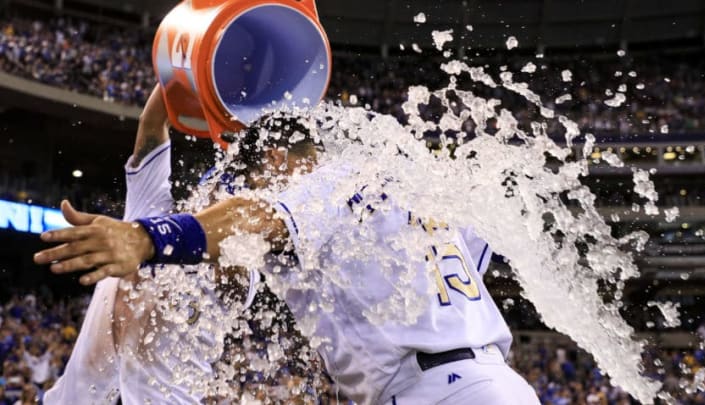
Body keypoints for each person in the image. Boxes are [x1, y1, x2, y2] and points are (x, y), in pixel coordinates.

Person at [34, 114, 541, 405]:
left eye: (252, 182)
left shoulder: (322, 186)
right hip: (488, 384)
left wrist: (148, 239)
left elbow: (254, 219)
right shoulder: (401, 189)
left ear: (277, 161)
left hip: (435, 392)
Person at [43, 85, 257, 404]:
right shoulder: (152, 209)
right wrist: (187, 63)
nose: (221, 202)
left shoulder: (242, 260)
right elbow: (153, 122)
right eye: (217, 192)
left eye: (232, 201)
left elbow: (232, 260)